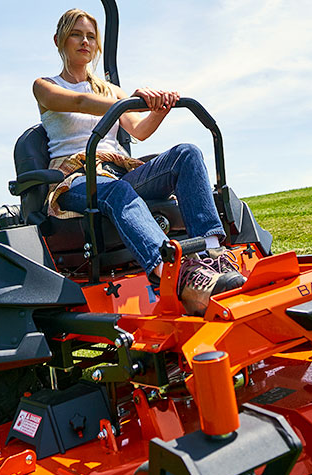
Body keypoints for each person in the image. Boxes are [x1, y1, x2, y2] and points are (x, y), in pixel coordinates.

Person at [33, 8, 242, 315]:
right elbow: (79, 101)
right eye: (76, 35)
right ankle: (173, 275)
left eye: (91, 36)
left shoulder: (111, 91)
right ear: (59, 40)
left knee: (187, 153)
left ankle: (213, 255)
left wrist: (158, 109)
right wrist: (130, 101)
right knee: (116, 191)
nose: (85, 41)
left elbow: (139, 131)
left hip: (117, 171)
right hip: (76, 178)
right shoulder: (45, 85)